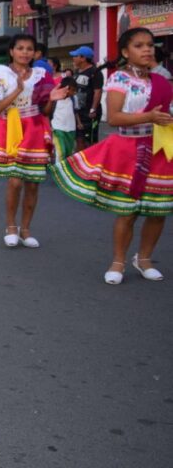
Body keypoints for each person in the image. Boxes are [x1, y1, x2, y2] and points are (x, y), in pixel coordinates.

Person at [51, 28, 172, 284]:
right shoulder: (119, 79)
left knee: (158, 209)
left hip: (160, 147)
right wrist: (149, 116)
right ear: (126, 52)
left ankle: (145, 258)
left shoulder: (162, 80)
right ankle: (118, 261)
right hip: (129, 149)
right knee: (128, 210)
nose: (147, 49)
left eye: (150, 44)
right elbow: (115, 118)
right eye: (139, 45)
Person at [0, 34, 70, 247]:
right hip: (10, 127)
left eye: (29, 49)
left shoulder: (41, 74)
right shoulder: (1, 73)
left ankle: (26, 229)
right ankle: (11, 226)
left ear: (35, 53)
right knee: (15, 181)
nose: (25, 52)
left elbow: (45, 110)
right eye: (20, 48)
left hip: (35, 128)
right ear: (11, 51)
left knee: (33, 183)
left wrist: (53, 99)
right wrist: (19, 90)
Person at [70, 45, 102, 149]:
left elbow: (98, 91)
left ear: (83, 58)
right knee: (79, 138)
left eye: (76, 56)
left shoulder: (95, 72)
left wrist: (93, 109)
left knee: (90, 139)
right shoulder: (76, 73)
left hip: (89, 112)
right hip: (78, 112)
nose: (73, 58)